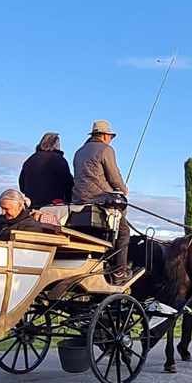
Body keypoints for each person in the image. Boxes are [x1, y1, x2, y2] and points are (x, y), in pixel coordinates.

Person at [72, 120, 132, 284]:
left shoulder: (79, 152)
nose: (111, 140)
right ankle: (119, 271)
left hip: (78, 201)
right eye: (110, 137)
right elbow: (114, 177)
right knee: (124, 231)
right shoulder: (106, 150)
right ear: (105, 136)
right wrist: (123, 188)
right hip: (99, 200)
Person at [18, 132, 74, 208]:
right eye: (59, 143)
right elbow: (68, 184)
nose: (60, 145)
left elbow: (22, 186)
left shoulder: (29, 160)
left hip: (32, 205)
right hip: (53, 205)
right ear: (55, 145)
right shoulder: (58, 160)